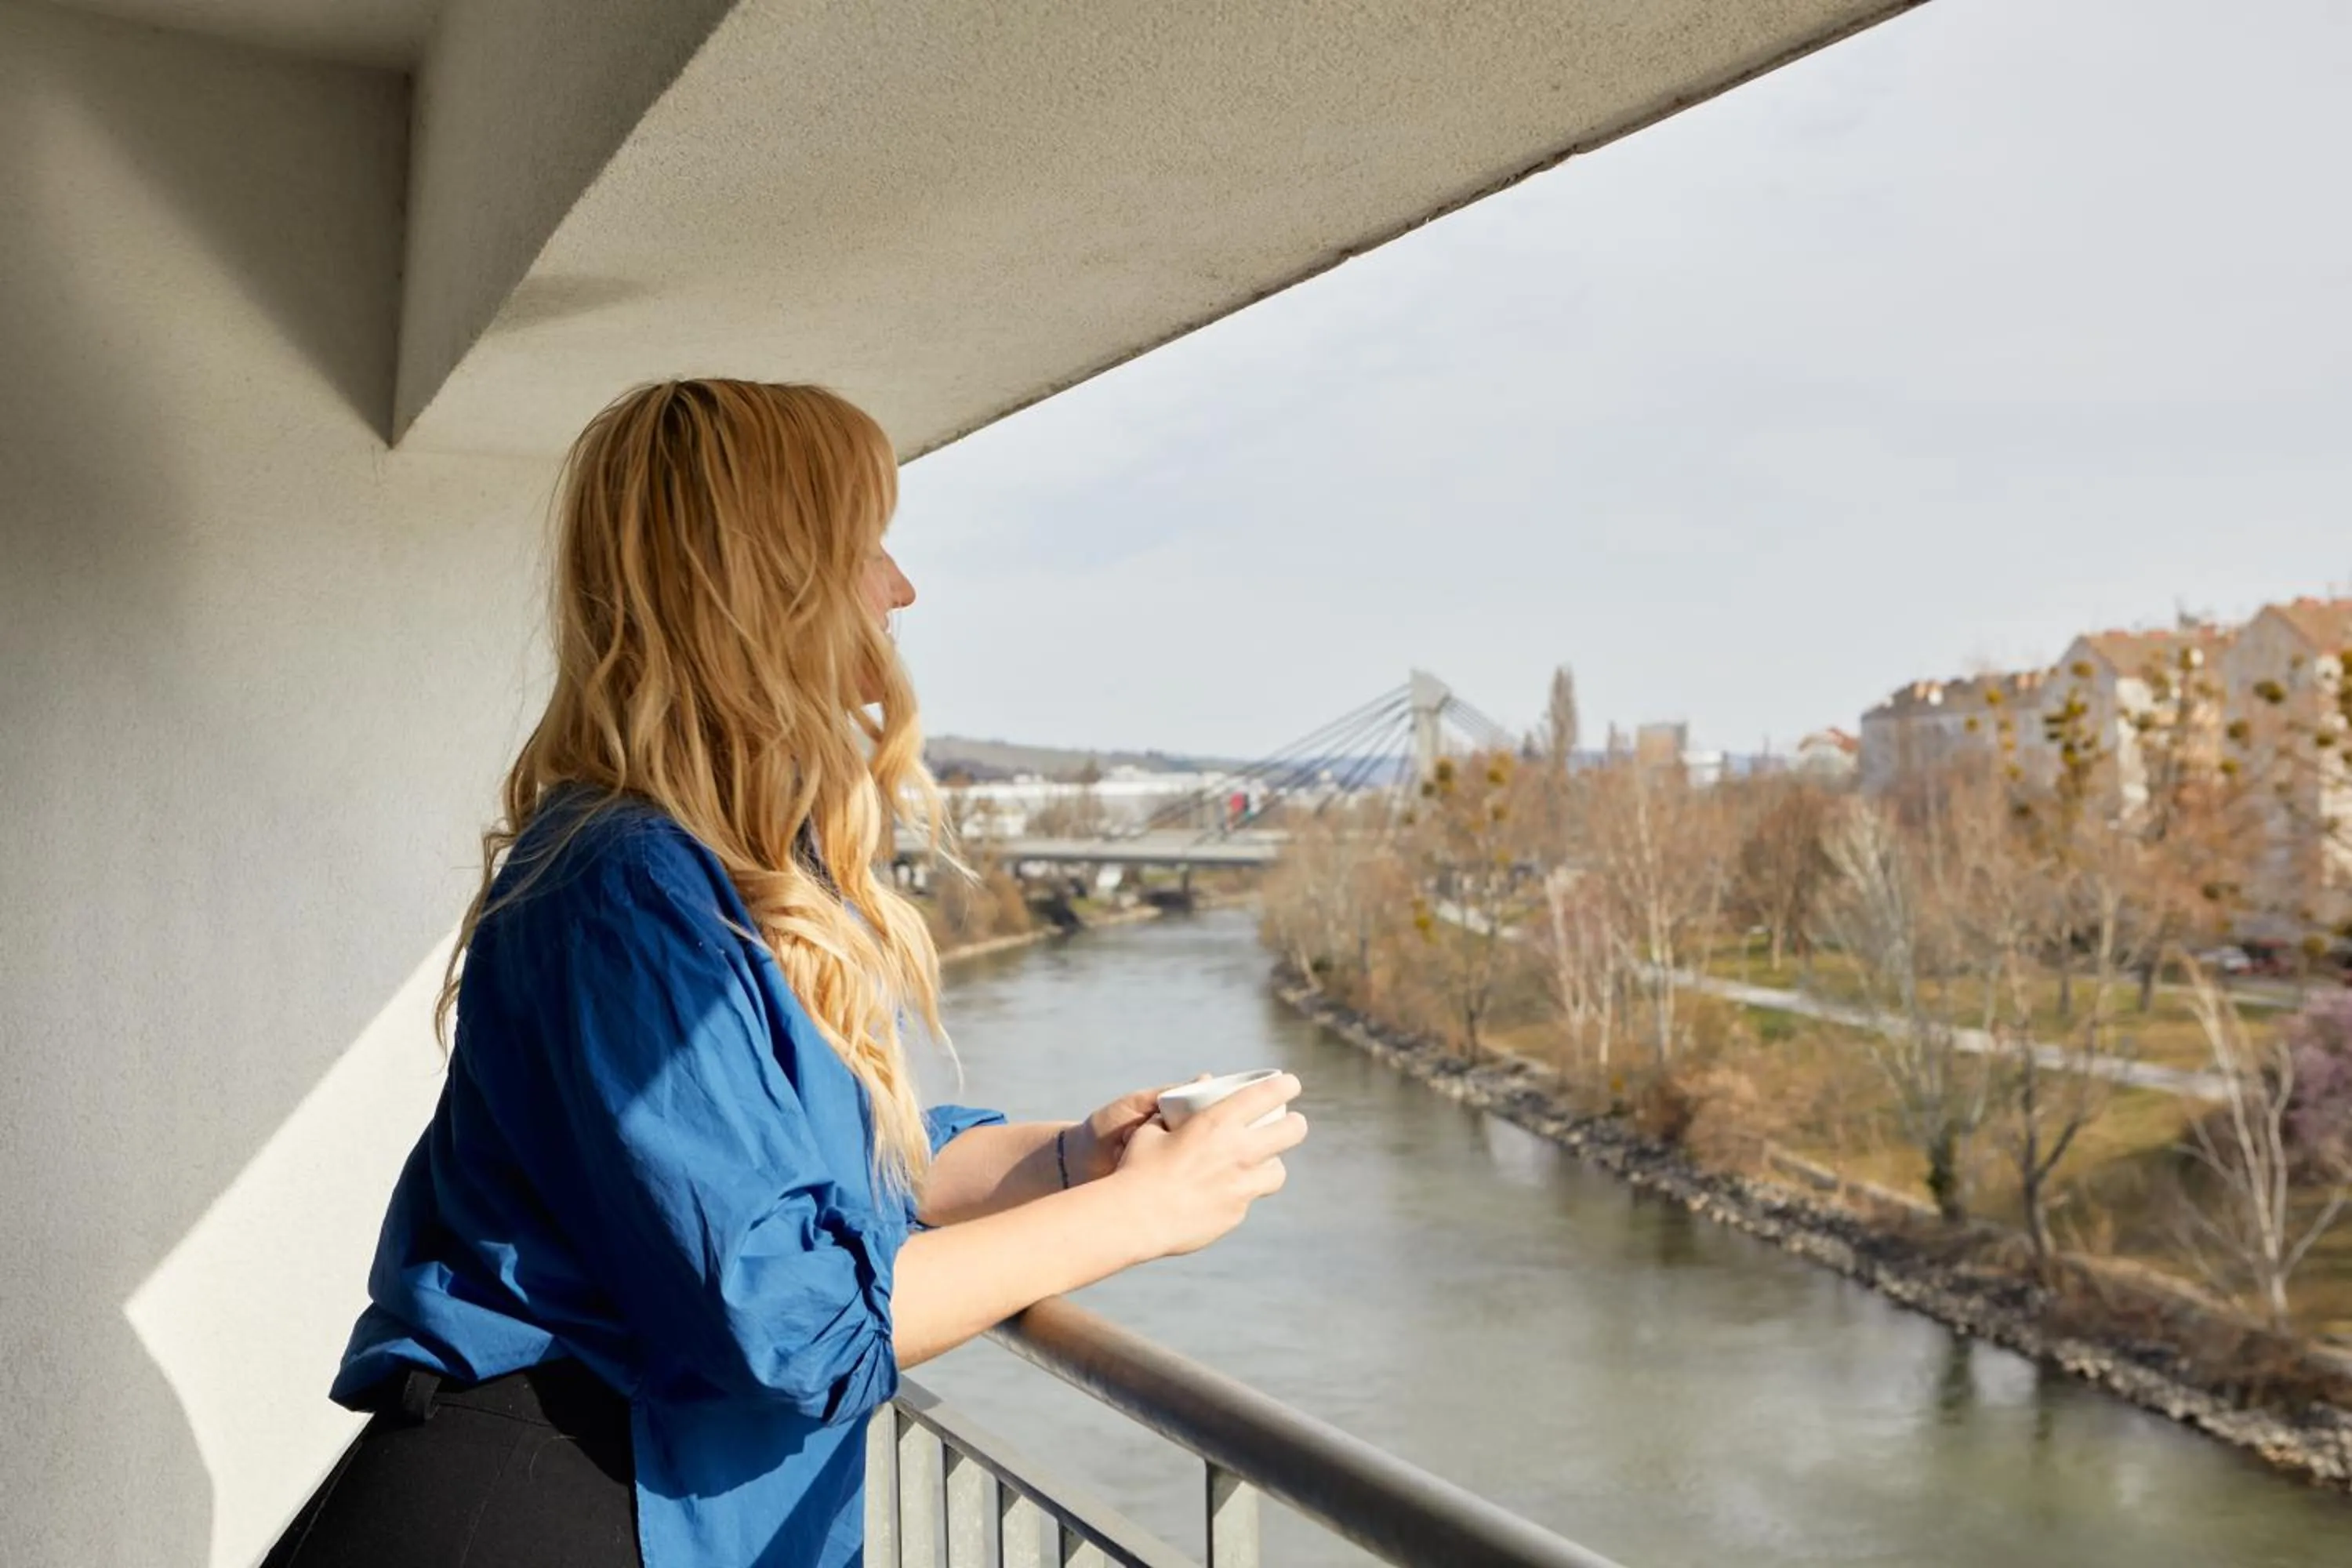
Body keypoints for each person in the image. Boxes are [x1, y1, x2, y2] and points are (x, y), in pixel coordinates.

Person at [264, 380, 1307, 1568]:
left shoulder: (724, 867)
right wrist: (1136, 1215)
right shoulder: (623, 880)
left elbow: (829, 1174)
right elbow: (795, 1320)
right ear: (767, 581)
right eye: (868, 546)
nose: (901, 589)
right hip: (545, 1510)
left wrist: (1075, 1157)